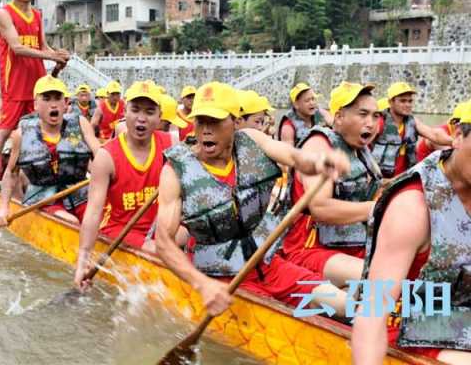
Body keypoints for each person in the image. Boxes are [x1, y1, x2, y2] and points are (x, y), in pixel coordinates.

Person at [152, 82, 352, 316]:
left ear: (235, 123)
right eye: (200, 121)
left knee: (346, 305)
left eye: (215, 122)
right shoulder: (175, 170)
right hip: (221, 280)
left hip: (266, 262)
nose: (206, 129)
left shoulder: (252, 140)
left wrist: (320, 162)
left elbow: (293, 156)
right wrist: (202, 285)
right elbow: (163, 242)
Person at [351, 108, 471, 365]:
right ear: (458, 136)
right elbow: (372, 314)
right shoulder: (412, 208)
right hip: (412, 326)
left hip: (459, 317)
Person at [280, 82, 383, 288]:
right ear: (339, 117)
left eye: (375, 116)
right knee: (381, 280)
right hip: (310, 248)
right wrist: (376, 209)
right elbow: (320, 207)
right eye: (362, 114)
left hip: (353, 244)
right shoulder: (319, 144)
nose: (371, 123)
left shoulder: (359, 149)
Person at [74, 81, 173, 287]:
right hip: (120, 229)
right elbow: (93, 212)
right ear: (125, 111)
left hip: (160, 226)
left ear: (159, 116)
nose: (141, 118)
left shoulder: (171, 145)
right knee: (164, 251)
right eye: (135, 110)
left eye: (150, 112)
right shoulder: (106, 156)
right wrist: (83, 259)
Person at [0, 0, 70, 175]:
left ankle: (38, 170)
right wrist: (50, 56)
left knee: (38, 128)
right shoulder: (4, 14)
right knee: (5, 128)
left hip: (37, 82)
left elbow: (43, 46)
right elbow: (17, 47)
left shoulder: (37, 15)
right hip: (14, 81)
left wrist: (57, 56)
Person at [0, 75, 100, 228]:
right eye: (47, 99)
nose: (53, 105)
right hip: (44, 198)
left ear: (66, 103)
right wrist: (3, 209)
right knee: (72, 222)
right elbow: (11, 173)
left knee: (99, 220)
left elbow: (101, 155)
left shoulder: (81, 123)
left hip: (80, 194)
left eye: (57, 99)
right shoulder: (21, 134)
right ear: (36, 104)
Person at [371, 82, 452, 179]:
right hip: (381, 180)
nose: (408, 105)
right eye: (403, 101)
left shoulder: (412, 122)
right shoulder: (379, 122)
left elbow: (434, 134)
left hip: (404, 178)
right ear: (390, 102)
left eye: (410, 101)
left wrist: (454, 141)